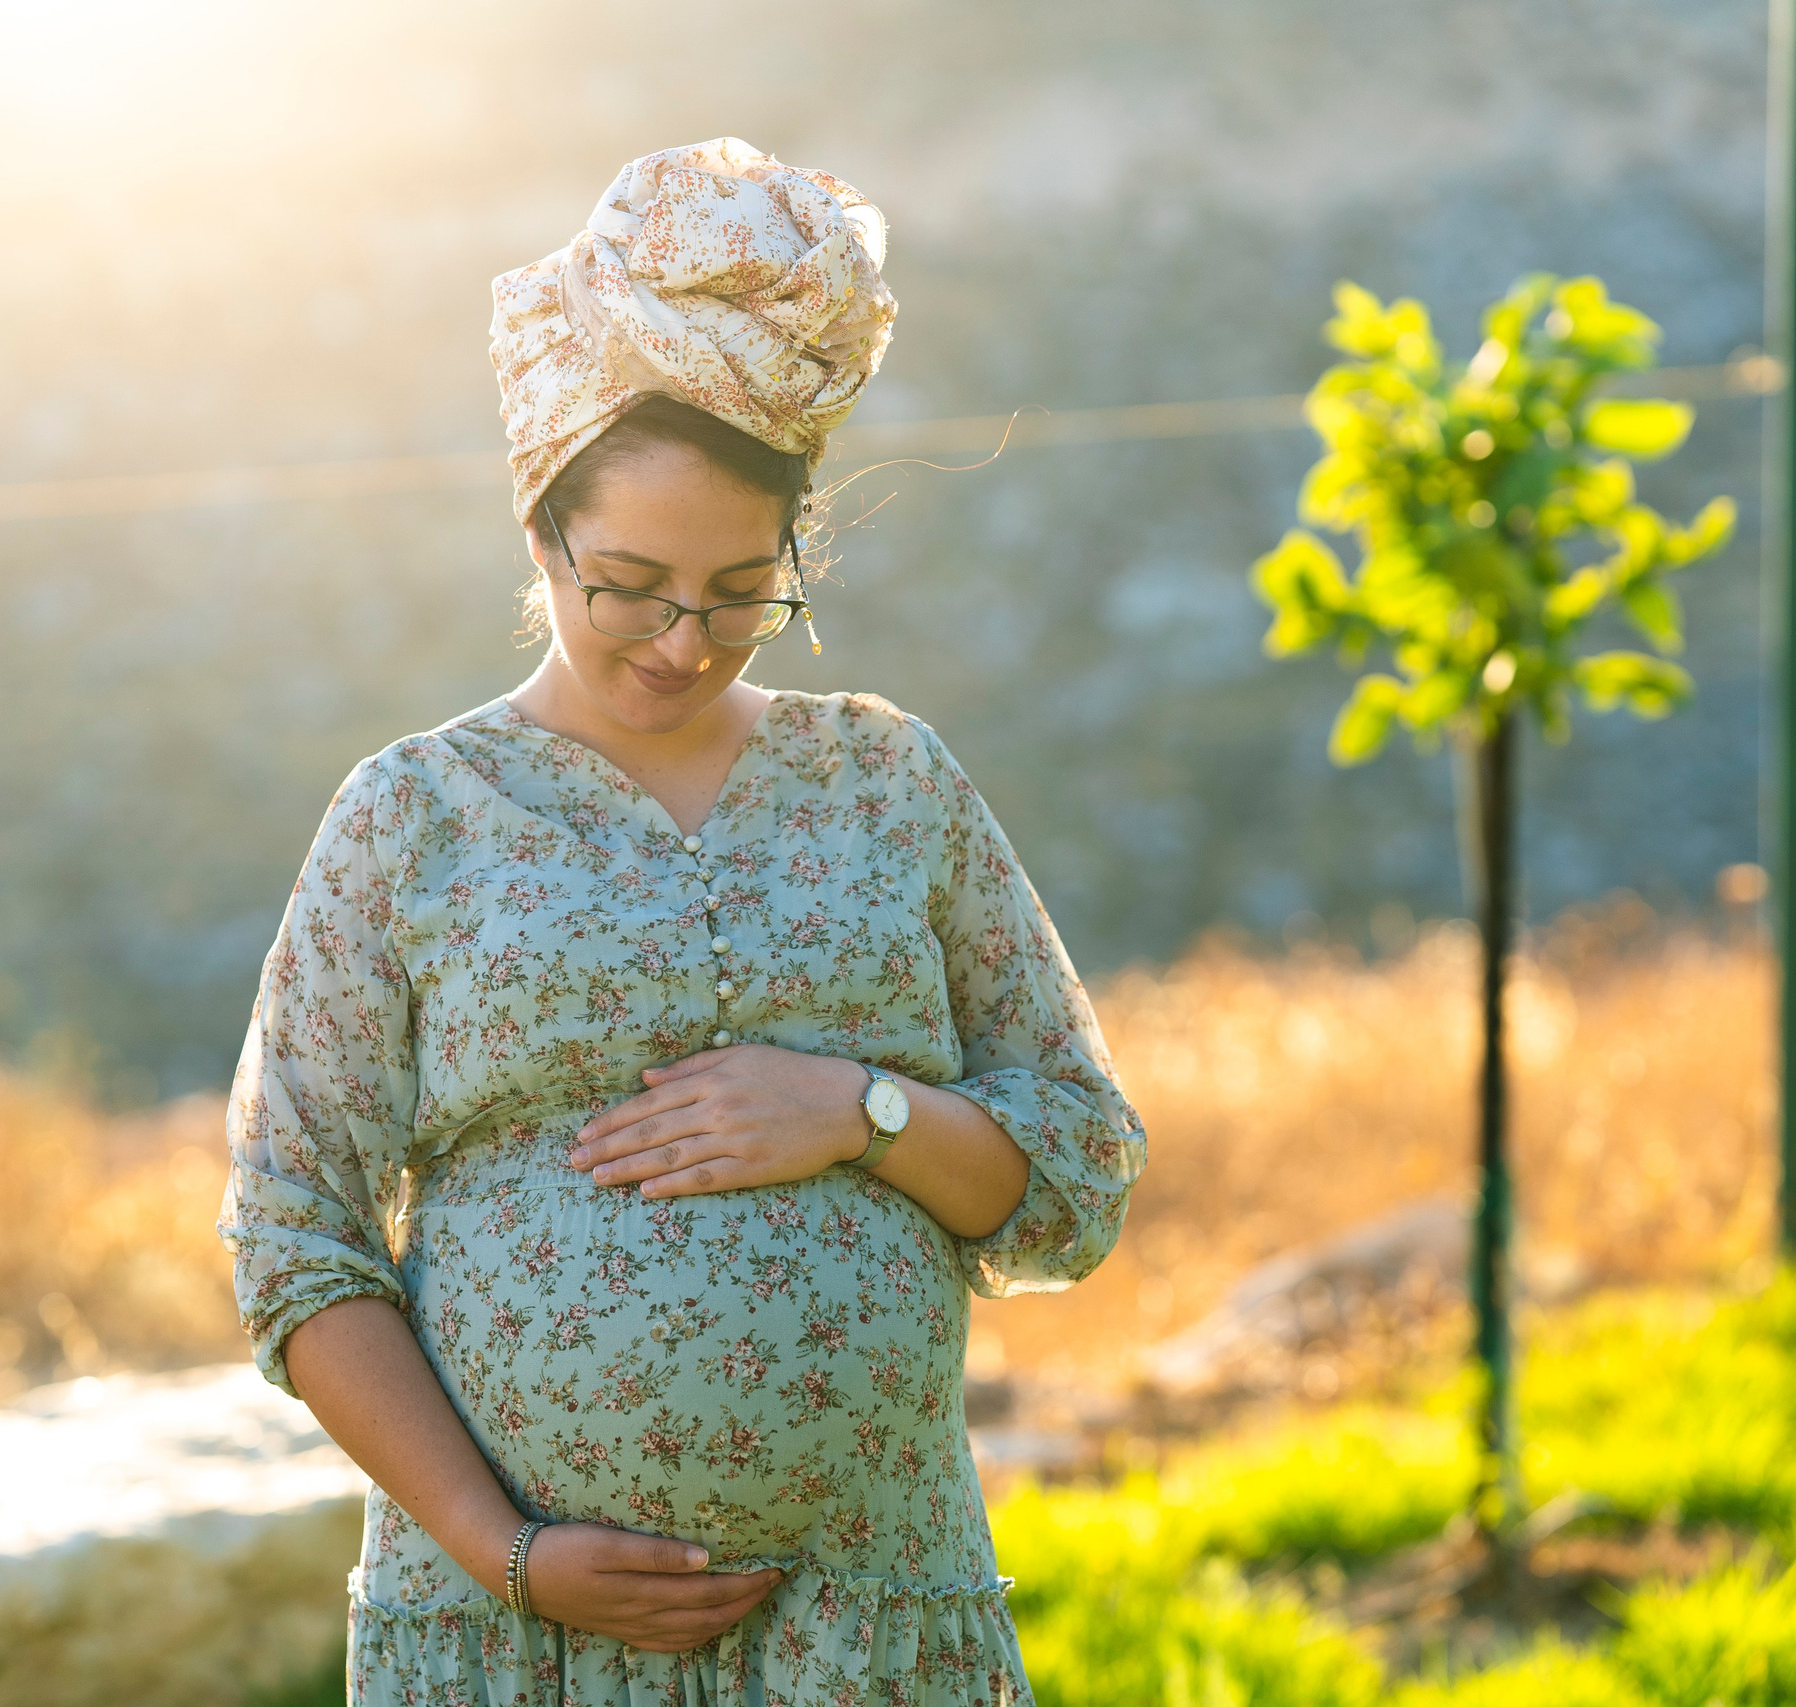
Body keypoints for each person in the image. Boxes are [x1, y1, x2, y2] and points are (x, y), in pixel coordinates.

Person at [220, 137, 1144, 1706]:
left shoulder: (885, 779)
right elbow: (294, 1237)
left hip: (869, 1620)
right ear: (540, 534)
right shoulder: (414, 815)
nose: (680, 640)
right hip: (518, 1644)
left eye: (738, 592)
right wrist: (499, 1547)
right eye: (631, 585)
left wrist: (859, 1112)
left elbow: (1072, 1170)